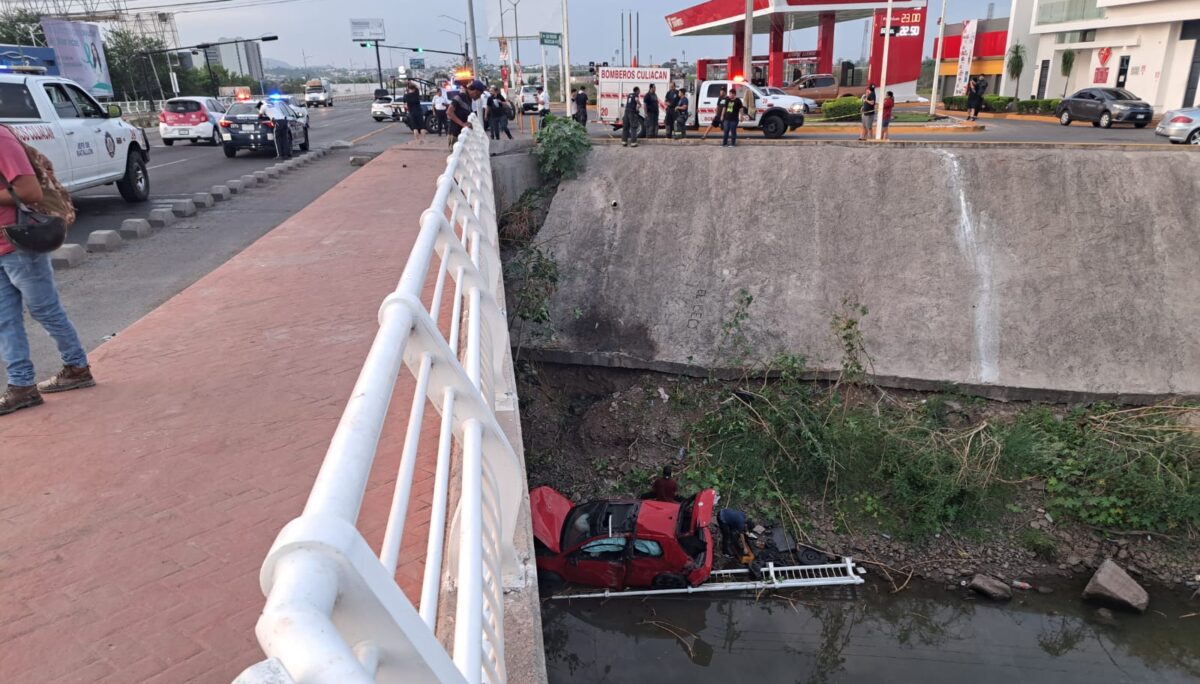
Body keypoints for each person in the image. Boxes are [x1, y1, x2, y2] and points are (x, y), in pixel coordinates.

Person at [0, 124, 93, 416]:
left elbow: (29, 191)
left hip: (19, 242)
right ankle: (22, 387)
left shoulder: (1, 139)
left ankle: (77, 367)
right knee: (4, 320)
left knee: (45, 310)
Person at [446, 80, 485, 146]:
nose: (479, 97)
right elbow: (449, 112)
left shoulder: (469, 100)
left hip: (462, 135)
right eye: (479, 94)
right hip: (455, 134)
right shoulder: (460, 97)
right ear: (475, 91)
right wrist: (463, 124)